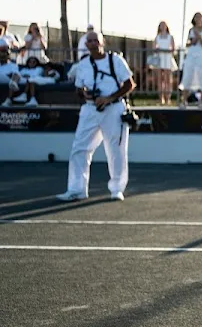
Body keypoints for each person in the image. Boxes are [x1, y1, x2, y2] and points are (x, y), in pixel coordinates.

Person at [55, 31, 135, 202]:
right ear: (86, 45)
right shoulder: (82, 65)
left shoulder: (115, 60)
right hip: (91, 109)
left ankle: (116, 188)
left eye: (95, 41)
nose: (93, 44)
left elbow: (129, 84)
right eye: (89, 41)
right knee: (79, 148)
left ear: (102, 42)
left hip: (113, 108)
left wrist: (109, 98)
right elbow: (78, 90)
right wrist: (87, 95)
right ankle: (77, 189)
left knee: (116, 150)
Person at [179, 12, 202, 107]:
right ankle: (184, 101)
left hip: (201, 56)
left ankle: (201, 101)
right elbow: (187, 44)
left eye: (200, 17)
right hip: (191, 55)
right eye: (196, 17)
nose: (198, 19)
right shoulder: (191, 30)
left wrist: (199, 37)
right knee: (188, 76)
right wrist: (193, 40)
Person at [148, 21, 177, 106]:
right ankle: (161, 98)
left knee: (168, 80)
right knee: (160, 80)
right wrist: (159, 50)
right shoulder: (157, 37)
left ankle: (168, 98)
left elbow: (173, 49)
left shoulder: (170, 37)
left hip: (167, 59)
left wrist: (166, 50)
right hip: (160, 59)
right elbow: (154, 48)